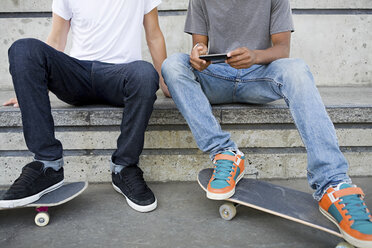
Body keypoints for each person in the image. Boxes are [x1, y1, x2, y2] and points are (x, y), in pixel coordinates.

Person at [161, 0, 372, 246]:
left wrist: (255, 56)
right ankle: (225, 154)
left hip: (258, 76)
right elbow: (200, 44)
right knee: (173, 65)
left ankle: (333, 183)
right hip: (216, 77)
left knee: (296, 69)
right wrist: (198, 52)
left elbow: (282, 49)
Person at [0, 0, 170, 213]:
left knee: (145, 74)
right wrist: (33, 86)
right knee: (23, 48)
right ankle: (47, 165)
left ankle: (124, 167)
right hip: (77, 75)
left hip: (121, 76)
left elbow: (153, 34)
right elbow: (56, 39)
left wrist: (165, 80)